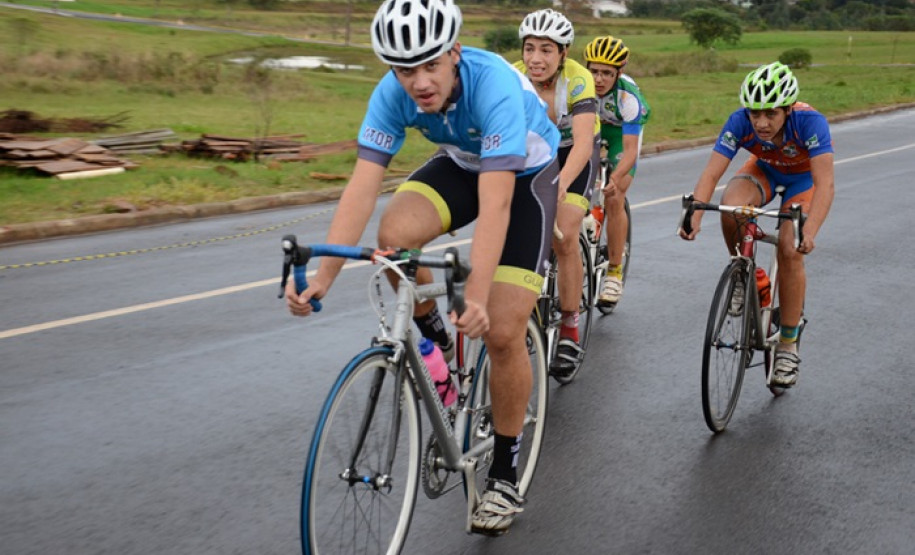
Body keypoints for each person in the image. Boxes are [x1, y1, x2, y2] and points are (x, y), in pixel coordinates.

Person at [285, 0, 560, 535]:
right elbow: (362, 187)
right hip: (462, 162)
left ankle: (505, 474)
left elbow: (497, 205)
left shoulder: (493, 86)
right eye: (404, 69)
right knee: (393, 239)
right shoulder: (392, 94)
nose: (419, 82)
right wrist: (323, 278)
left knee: (502, 331)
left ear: (454, 53)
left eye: (430, 64)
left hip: (526, 177)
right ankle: (436, 347)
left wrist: (476, 295)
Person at [679, 61, 835, 387]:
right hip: (765, 170)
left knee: (789, 248)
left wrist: (810, 230)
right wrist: (695, 214)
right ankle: (747, 276)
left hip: (803, 182)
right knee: (731, 207)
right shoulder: (739, 121)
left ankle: (788, 344)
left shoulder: (811, 123)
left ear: (788, 109)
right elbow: (711, 173)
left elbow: (825, 184)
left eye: (771, 114)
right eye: (755, 113)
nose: (761, 123)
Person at [514, 8, 600, 378]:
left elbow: (582, 144)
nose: (536, 58)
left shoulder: (578, 79)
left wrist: (561, 183)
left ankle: (569, 326)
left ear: (563, 53)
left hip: (573, 155)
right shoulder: (513, 77)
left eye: (546, 50)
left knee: (564, 231)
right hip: (536, 153)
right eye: (529, 48)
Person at [582, 35, 651, 308]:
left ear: (619, 73)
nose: (599, 79)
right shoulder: (579, 87)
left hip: (622, 134)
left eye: (607, 73)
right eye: (594, 71)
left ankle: (614, 272)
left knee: (614, 195)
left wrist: (615, 177)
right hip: (593, 127)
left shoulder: (628, 98)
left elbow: (630, 151)